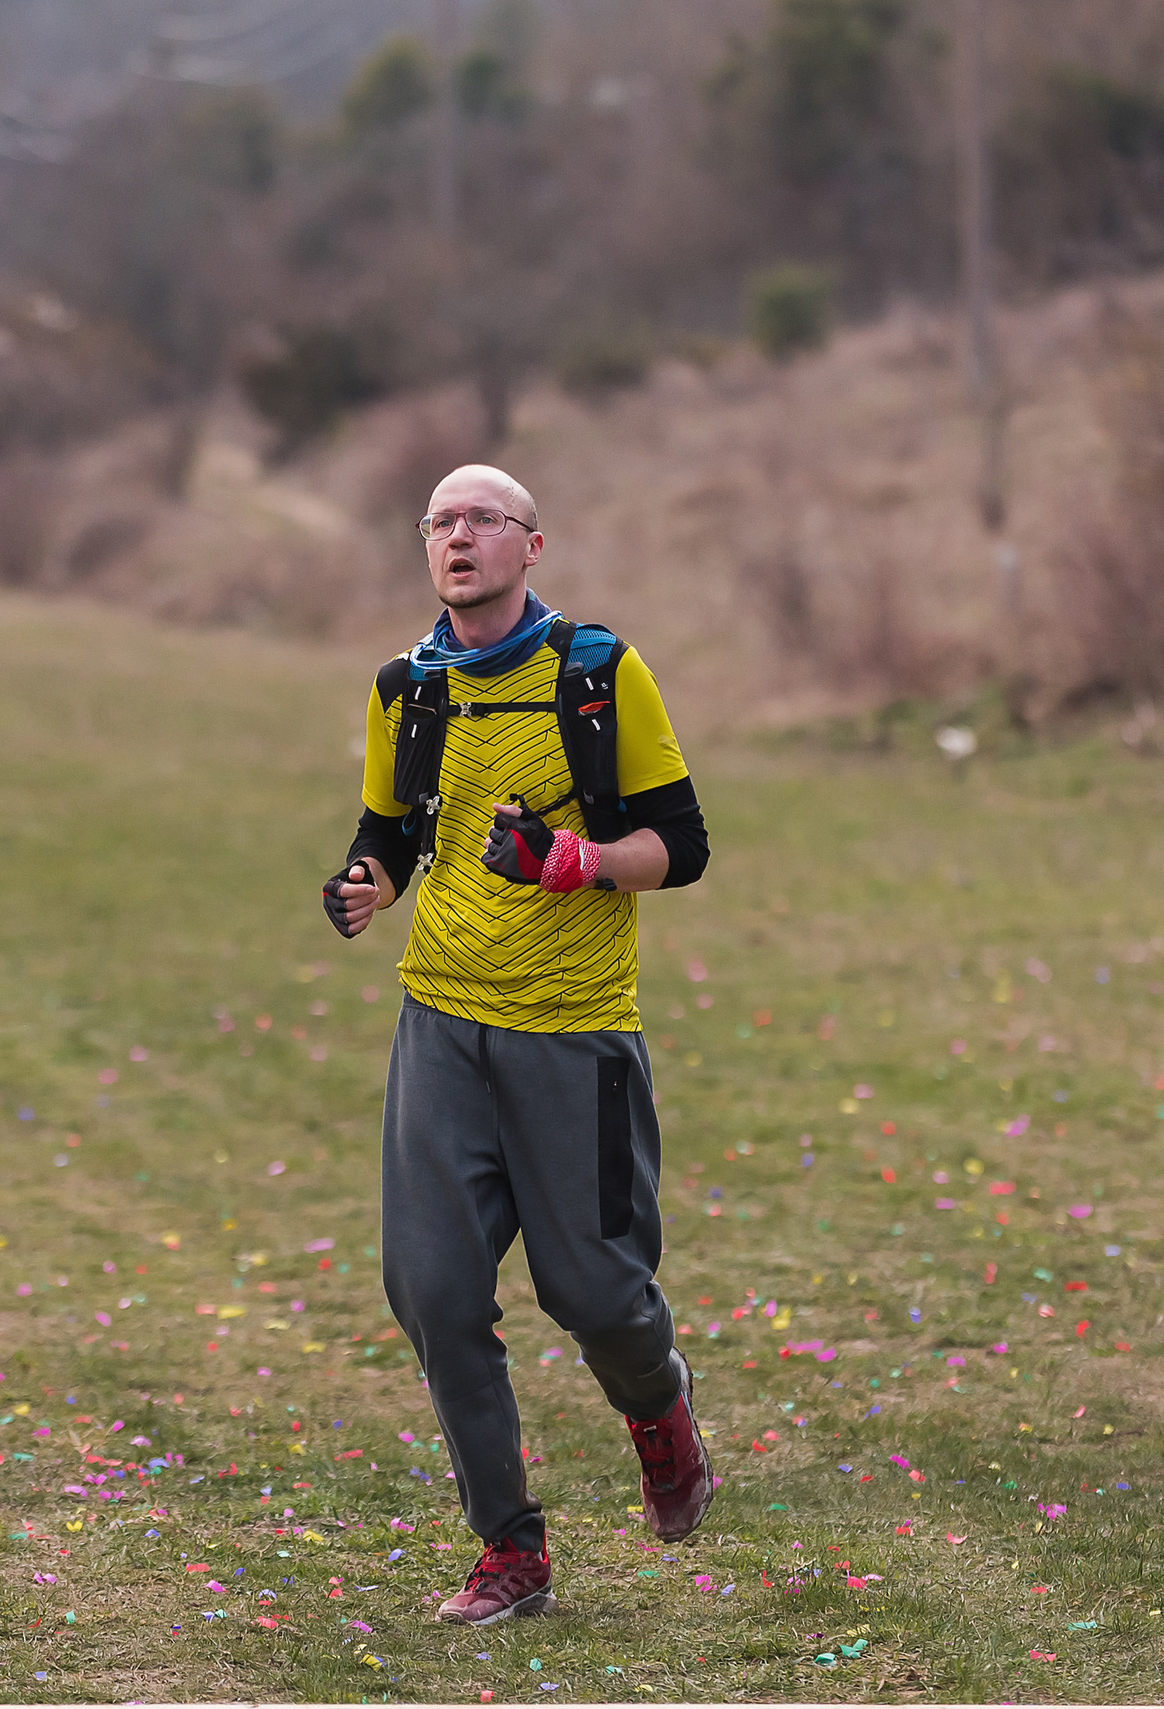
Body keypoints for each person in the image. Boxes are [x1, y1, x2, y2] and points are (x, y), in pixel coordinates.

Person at [322, 464, 714, 1626]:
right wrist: (365, 884)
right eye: (440, 521)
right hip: (441, 1017)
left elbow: (679, 843)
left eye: (483, 520)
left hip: (574, 1027)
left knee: (595, 1292)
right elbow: (389, 827)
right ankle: (511, 1546)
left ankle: (659, 1413)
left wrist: (576, 861)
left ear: (531, 546)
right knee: (432, 1290)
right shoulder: (408, 687)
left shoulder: (597, 674)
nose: (459, 536)